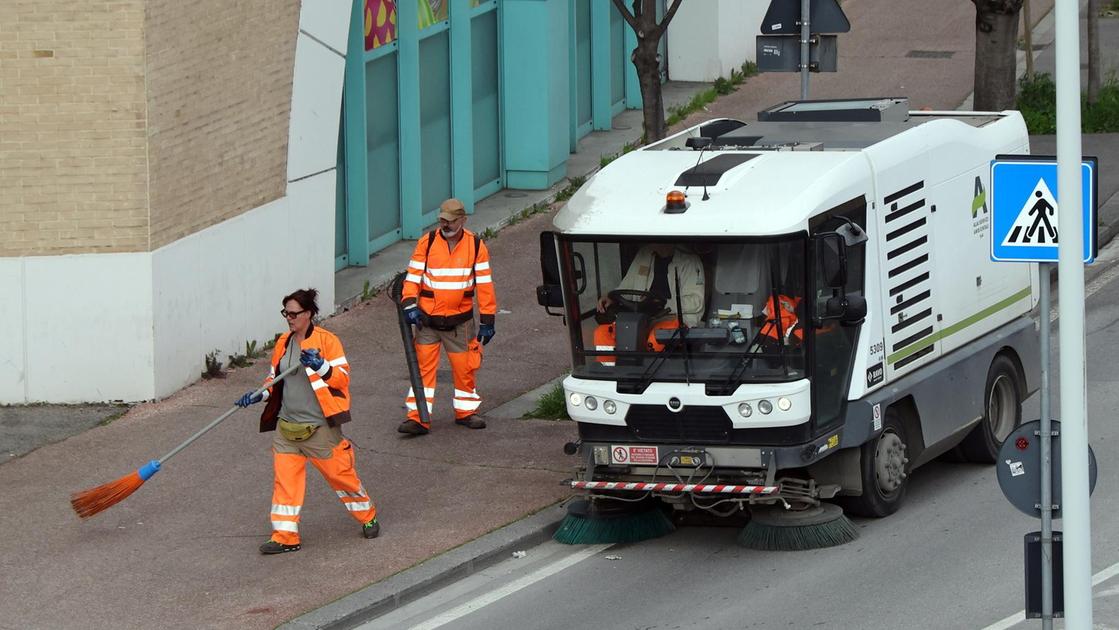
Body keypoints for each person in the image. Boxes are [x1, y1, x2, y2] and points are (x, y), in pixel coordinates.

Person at [235, 288, 379, 555]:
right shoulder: (283, 343)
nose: (289, 319)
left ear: (309, 314)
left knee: (342, 477)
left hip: (320, 429)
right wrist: (258, 395)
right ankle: (285, 536)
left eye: (293, 313)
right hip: (287, 427)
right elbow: (274, 380)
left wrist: (320, 365)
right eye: (285, 313)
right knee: (285, 484)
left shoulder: (328, 341)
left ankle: (367, 515)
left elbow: (341, 379)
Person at [398, 198, 497, 435]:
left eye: (451, 221)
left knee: (465, 369)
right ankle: (418, 418)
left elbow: (484, 284)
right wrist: (410, 304)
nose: (445, 224)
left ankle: (465, 412)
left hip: (459, 322)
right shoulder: (428, 241)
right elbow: (412, 277)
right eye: (443, 220)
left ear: (463, 220)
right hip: (427, 321)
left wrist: (488, 320)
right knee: (422, 369)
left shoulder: (476, 245)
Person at [593, 243, 705, 364]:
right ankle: (609, 373)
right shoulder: (644, 254)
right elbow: (627, 286)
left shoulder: (689, 259)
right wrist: (611, 297)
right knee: (602, 333)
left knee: (656, 338)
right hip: (640, 317)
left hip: (674, 316)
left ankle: (649, 375)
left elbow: (696, 301)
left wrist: (664, 304)